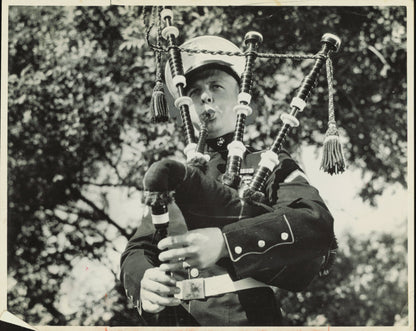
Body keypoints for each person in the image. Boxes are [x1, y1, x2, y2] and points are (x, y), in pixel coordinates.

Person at [120, 35, 336, 326]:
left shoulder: (269, 163)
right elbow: (137, 249)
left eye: (216, 86)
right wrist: (144, 279)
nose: (205, 96)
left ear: (239, 98)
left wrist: (226, 243)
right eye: (195, 90)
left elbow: (316, 222)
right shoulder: (173, 180)